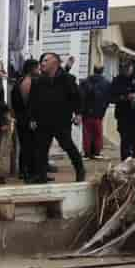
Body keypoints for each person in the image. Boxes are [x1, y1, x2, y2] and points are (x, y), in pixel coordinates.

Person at [27, 51, 85, 183]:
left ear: (55, 63)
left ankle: (80, 170)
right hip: (43, 121)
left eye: (46, 61)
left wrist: (78, 114)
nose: (42, 63)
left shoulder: (67, 79)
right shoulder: (38, 81)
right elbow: (32, 102)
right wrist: (32, 118)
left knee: (68, 146)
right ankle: (41, 176)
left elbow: (77, 98)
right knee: (41, 149)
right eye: (42, 61)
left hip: (61, 121)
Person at [110, 64, 135, 160]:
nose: (126, 70)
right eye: (124, 68)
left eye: (128, 68)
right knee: (125, 140)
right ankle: (125, 160)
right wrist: (125, 97)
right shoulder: (118, 80)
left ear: (132, 67)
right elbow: (113, 96)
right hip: (123, 115)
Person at [13, 61, 40, 182]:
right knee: (30, 146)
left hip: (21, 118)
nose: (39, 71)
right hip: (28, 119)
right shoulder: (29, 82)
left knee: (25, 146)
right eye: (37, 68)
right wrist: (32, 119)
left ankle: (25, 172)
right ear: (32, 69)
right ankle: (29, 173)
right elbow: (30, 103)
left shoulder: (19, 81)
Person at [80, 66, 112, 159]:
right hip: (99, 112)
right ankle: (96, 152)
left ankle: (87, 153)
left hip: (86, 112)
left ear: (93, 70)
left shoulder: (85, 82)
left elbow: (81, 96)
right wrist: (103, 109)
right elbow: (108, 98)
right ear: (102, 71)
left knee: (87, 133)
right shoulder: (106, 83)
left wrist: (82, 110)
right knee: (97, 133)